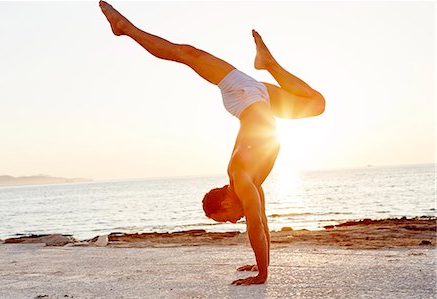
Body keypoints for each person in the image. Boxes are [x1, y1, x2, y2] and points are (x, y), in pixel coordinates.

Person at [99, 0, 325, 286]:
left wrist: (262, 276)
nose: (232, 223)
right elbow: (263, 223)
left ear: (228, 200)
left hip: (243, 95)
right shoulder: (249, 183)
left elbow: (255, 224)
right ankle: (268, 63)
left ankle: (125, 28)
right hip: (259, 99)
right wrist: (260, 264)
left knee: (186, 54)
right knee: (317, 104)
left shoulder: (242, 180)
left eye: (226, 217)